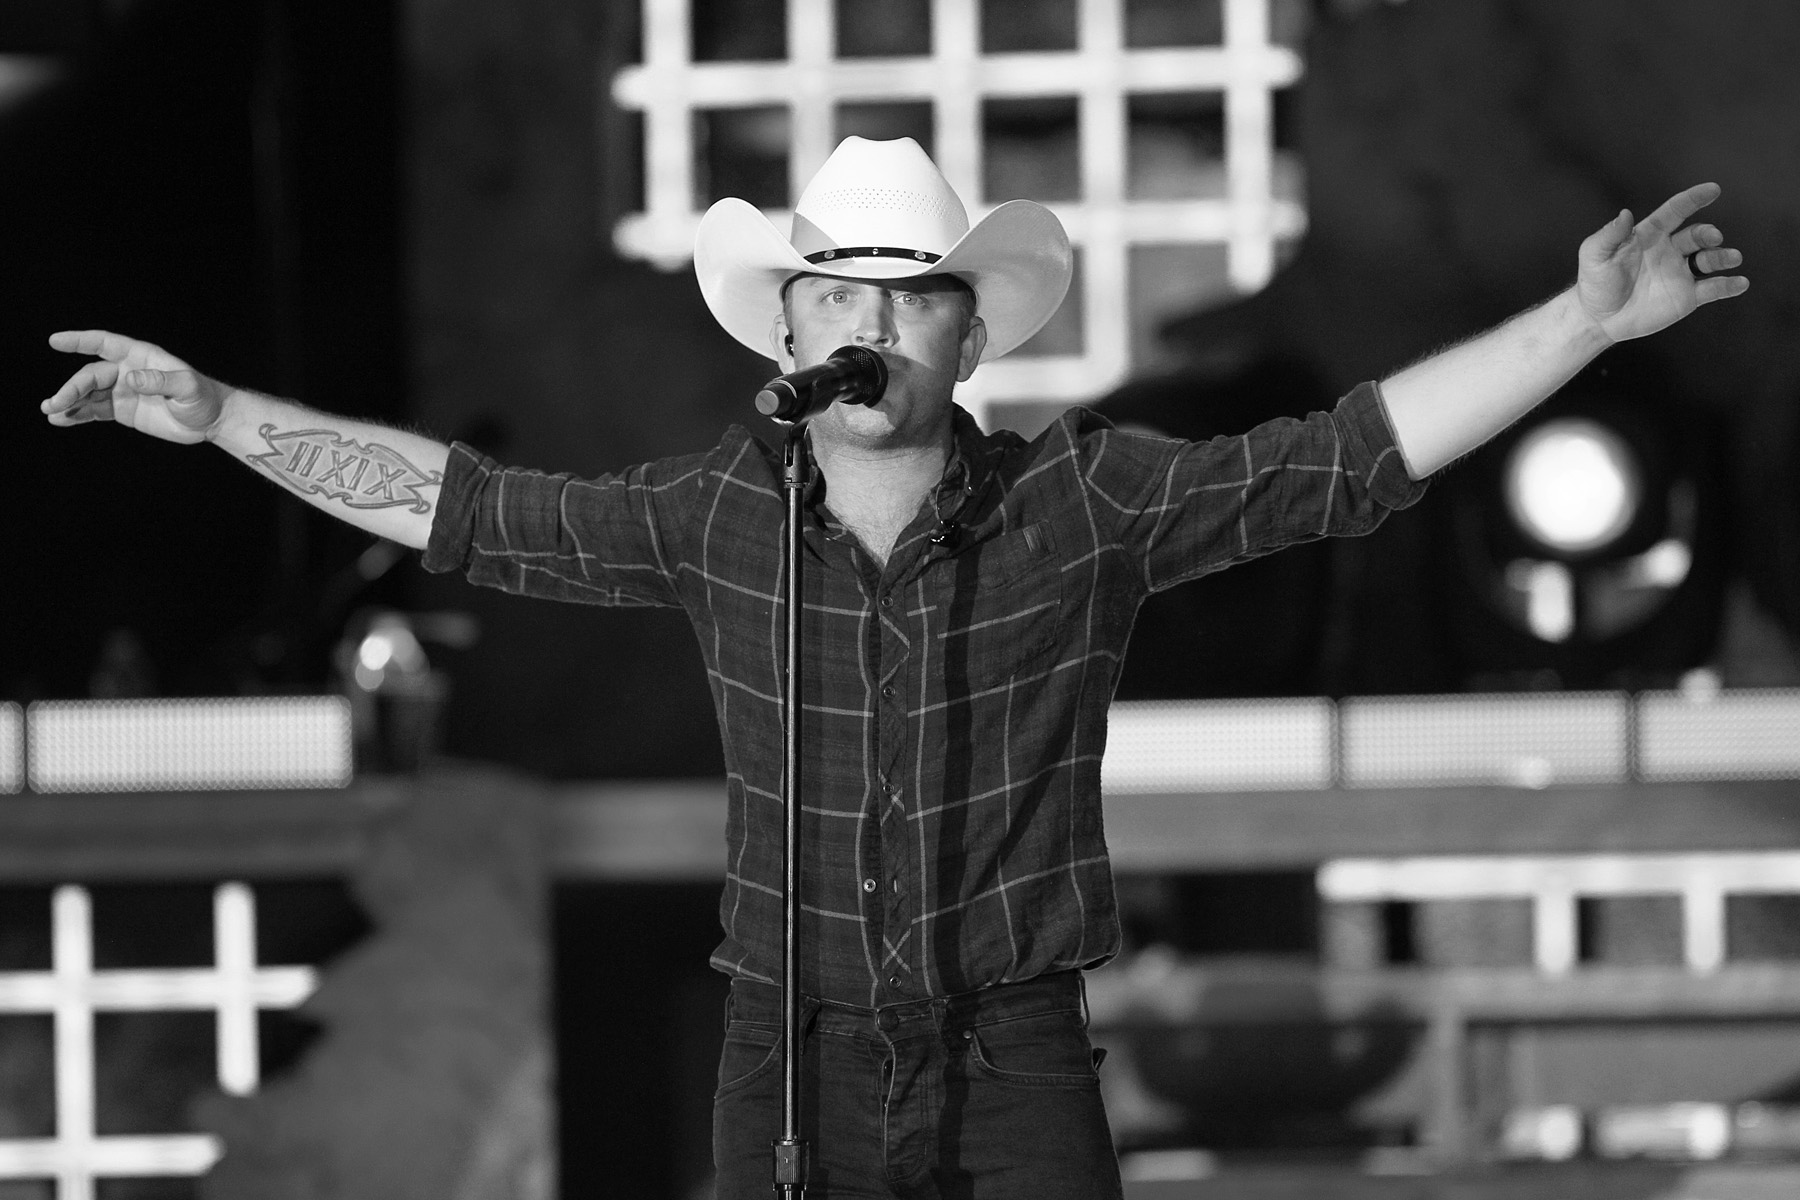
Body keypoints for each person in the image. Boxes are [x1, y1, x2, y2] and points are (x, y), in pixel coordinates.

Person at [41, 136, 1746, 1197]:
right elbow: (468, 511)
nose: (867, 324)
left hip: (1014, 1056)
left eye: (909, 294)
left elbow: (1345, 460)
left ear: (969, 329)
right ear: (787, 330)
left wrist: (1583, 325)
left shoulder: (1081, 503)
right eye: (835, 296)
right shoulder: (718, 515)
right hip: (789, 1050)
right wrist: (224, 416)